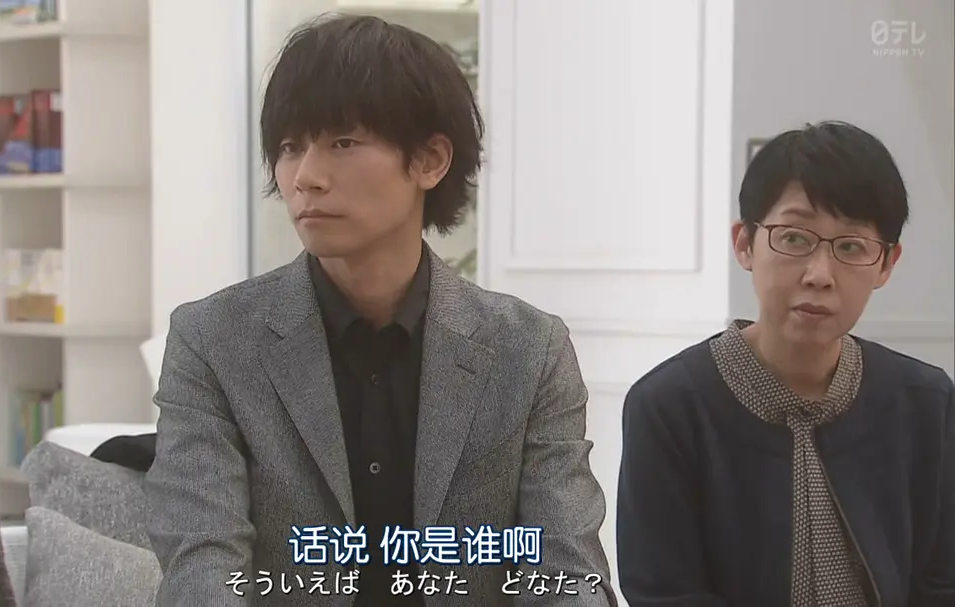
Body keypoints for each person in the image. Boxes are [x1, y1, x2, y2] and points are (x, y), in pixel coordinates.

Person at [145, 14, 616, 606]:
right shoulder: (213, 340)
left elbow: (566, 572)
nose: (306, 177)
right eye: (290, 148)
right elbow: (201, 566)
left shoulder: (528, 349)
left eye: (342, 142)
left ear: (430, 160)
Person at [616, 121, 954, 607]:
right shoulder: (669, 405)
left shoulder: (925, 402)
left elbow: (942, 584)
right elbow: (665, 592)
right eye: (794, 238)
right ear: (744, 244)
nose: (820, 275)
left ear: (886, 264)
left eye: (851, 247)